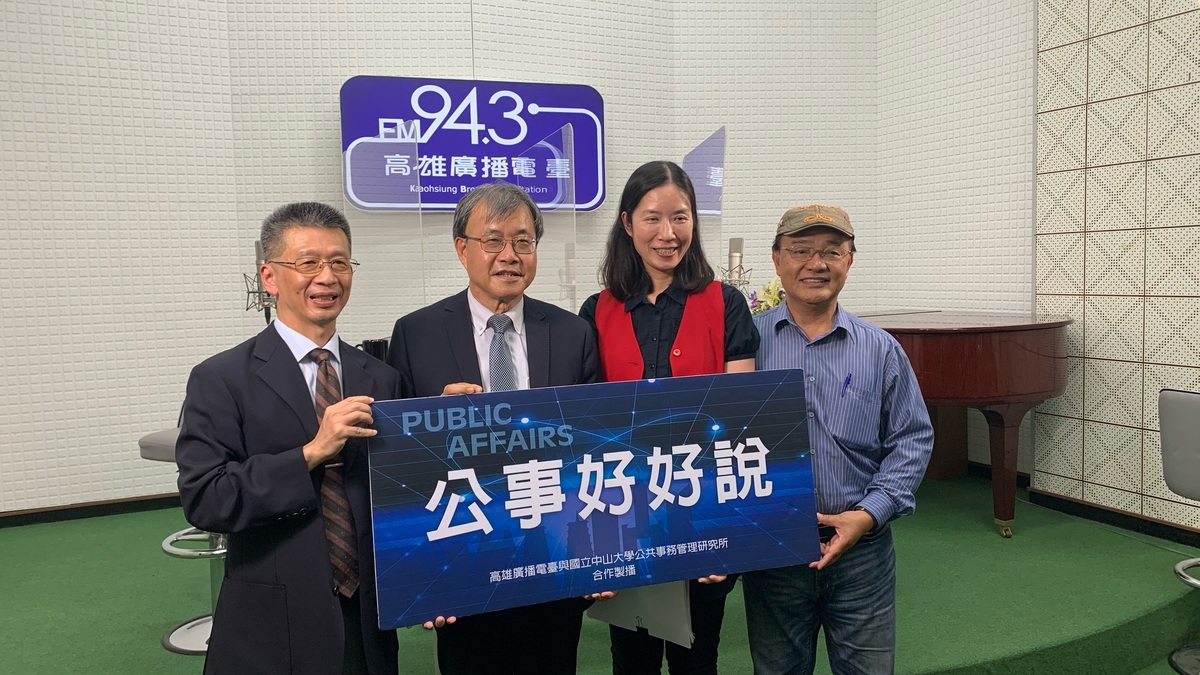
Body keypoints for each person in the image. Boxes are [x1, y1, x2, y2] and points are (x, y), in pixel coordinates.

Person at [175, 202, 400, 675]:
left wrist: (446, 416)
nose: (327, 277)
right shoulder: (221, 378)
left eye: (340, 262)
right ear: (270, 277)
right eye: (308, 263)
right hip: (270, 621)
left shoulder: (379, 377)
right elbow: (207, 499)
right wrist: (311, 454)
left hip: (367, 620)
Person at [385, 181, 599, 675]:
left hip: (554, 552)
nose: (510, 255)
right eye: (494, 240)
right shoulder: (415, 334)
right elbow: (400, 463)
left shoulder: (572, 333)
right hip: (463, 554)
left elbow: (594, 446)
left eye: (524, 241)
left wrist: (595, 554)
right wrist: (433, 422)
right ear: (463, 249)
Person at [578, 160, 760, 675]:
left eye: (680, 217)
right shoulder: (596, 311)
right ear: (627, 222)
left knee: (697, 656)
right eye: (653, 218)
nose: (668, 233)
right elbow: (586, 428)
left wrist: (726, 529)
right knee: (630, 659)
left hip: (705, 509)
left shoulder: (725, 304)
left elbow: (739, 418)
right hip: (622, 512)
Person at [741, 204, 934, 675]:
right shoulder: (744, 345)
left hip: (863, 557)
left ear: (850, 259)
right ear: (776, 259)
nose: (817, 263)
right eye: (801, 251)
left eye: (832, 251)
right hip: (773, 553)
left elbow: (912, 438)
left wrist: (868, 515)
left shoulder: (881, 348)